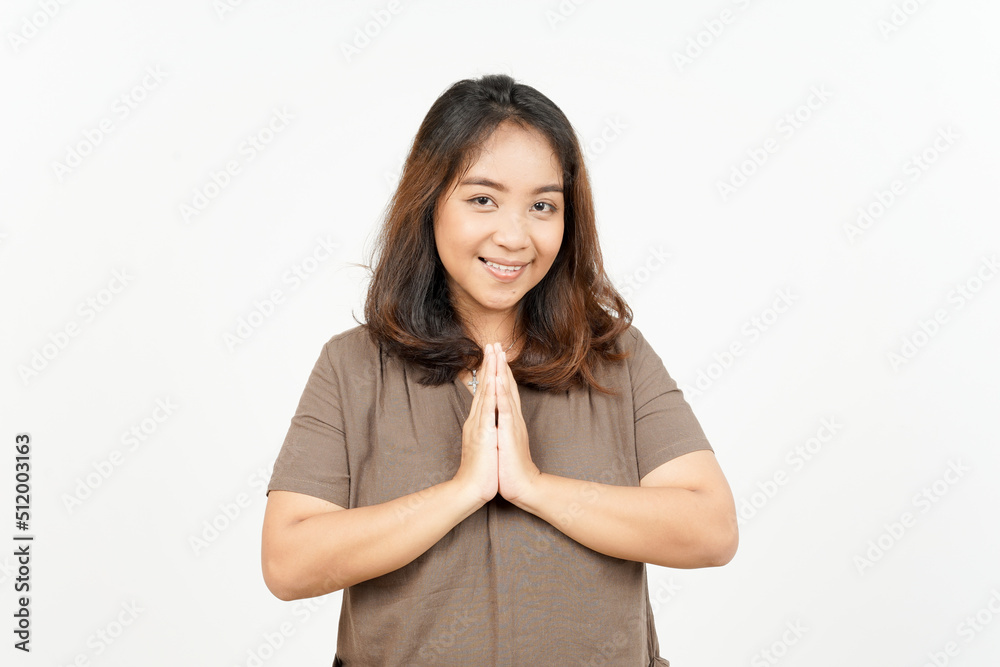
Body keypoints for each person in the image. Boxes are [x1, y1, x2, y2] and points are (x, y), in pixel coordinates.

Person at [261, 73, 738, 666]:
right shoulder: (353, 366)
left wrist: (532, 486)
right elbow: (288, 563)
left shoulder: (617, 355)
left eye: (542, 206)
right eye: (482, 199)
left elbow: (712, 529)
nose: (514, 236)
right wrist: (462, 491)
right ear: (430, 202)